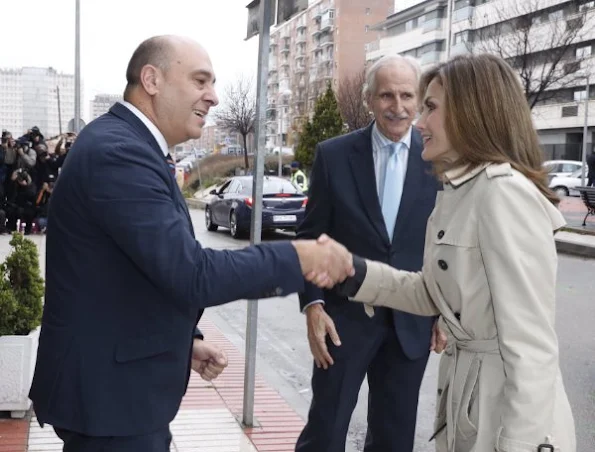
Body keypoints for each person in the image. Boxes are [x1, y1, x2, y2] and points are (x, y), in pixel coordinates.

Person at [29, 35, 353, 452]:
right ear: (152, 79)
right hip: (110, 402)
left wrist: (185, 343)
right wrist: (299, 257)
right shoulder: (118, 152)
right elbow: (191, 273)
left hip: (118, 390)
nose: (213, 97)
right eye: (201, 81)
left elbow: (133, 274)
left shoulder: (129, 146)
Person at [334, 54, 576, 452]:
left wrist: (520, 444)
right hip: (471, 403)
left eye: (429, 107)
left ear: (471, 113)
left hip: (503, 419)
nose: (418, 121)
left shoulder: (503, 194)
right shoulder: (463, 191)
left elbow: (532, 346)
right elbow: (435, 292)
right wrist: (352, 271)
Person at [295, 54, 445, 452]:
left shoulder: (440, 162)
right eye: (386, 95)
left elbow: (447, 246)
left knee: (394, 439)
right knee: (324, 432)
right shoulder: (334, 155)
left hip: (411, 323)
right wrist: (312, 306)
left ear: (420, 100)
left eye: (407, 96)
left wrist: (447, 312)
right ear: (368, 100)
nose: (397, 107)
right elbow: (310, 237)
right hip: (342, 322)